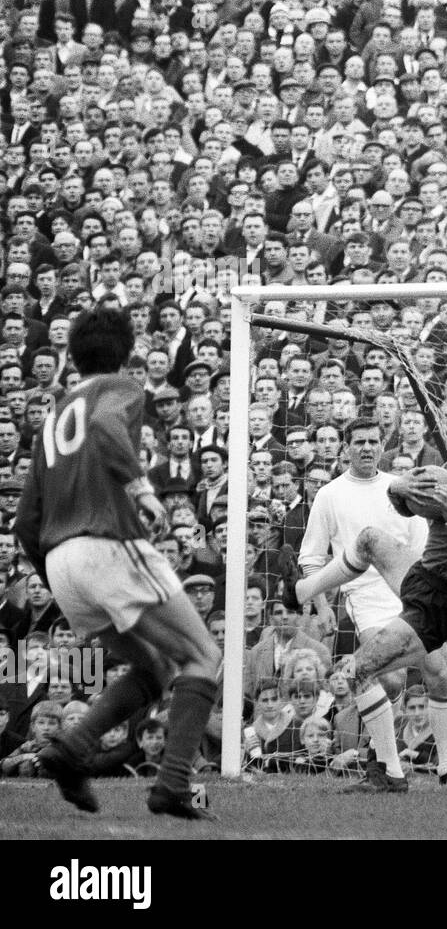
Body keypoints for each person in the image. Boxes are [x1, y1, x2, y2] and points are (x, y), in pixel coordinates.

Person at [14, 305, 221, 820]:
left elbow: (23, 522)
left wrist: (60, 580)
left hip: (60, 562)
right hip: (108, 543)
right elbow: (108, 426)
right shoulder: (120, 390)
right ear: (127, 354)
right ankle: (173, 783)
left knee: (155, 665)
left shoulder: (53, 417)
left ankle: (71, 746)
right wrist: (142, 489)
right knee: (203, 657)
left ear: (73, 356)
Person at [285, 418, 447, 792]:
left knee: (354, 673)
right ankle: (299, 591)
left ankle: (392, 775)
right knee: (367, 539)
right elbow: (412, 508)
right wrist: (400, 490)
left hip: (441, 604)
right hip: (421, 575)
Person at [291, 417, 426, 788]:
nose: (367, 447)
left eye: (373, 441)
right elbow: (311, 559)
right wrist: (320, 605)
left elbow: (418, 550)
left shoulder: (399, 491)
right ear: (345, 448)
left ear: (384, 445)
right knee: (375, 676)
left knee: (395, 681)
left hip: (402, 597)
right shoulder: (329, 495)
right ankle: (382, 766)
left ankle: (383, 766)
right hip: (356, 601)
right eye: (359, 442)